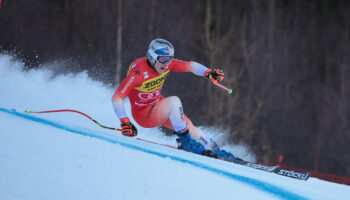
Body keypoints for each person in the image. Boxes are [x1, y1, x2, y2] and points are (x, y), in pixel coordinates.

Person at [112, 38, 237, 161]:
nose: (166, 63)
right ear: (151, 57)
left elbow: (191, 66)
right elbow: (117, 97)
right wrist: (124, 121)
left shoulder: (166, 65)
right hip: (144, 114)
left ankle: (215, 150)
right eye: (163, 59)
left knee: (188, 126)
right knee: (174, 102)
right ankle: (186, 143)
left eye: (170, 59)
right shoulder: (138, 73)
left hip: (157, 105)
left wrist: (208, 72)